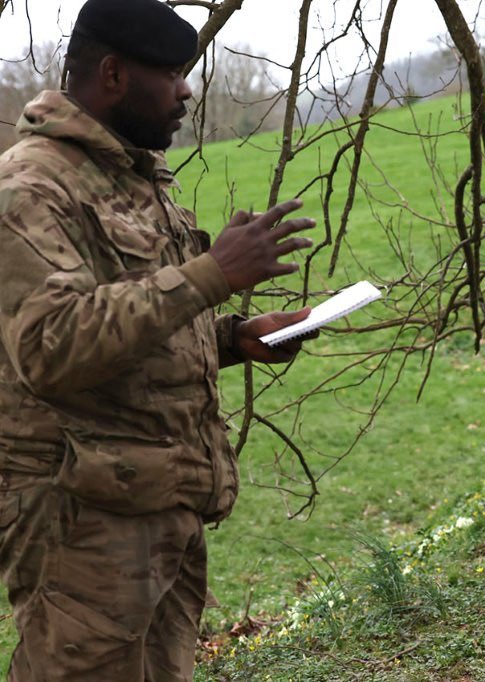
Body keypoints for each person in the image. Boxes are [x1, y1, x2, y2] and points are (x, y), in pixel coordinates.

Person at [0, 0, 320, 678]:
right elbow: (51, 347)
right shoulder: (30, 186)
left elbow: (137, 322)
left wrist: (235, 338)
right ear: (113, 74)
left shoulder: (136, 178)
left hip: (158, 506)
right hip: (81, 523)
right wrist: (213, 274)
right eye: (172, 74)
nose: (186, 91)